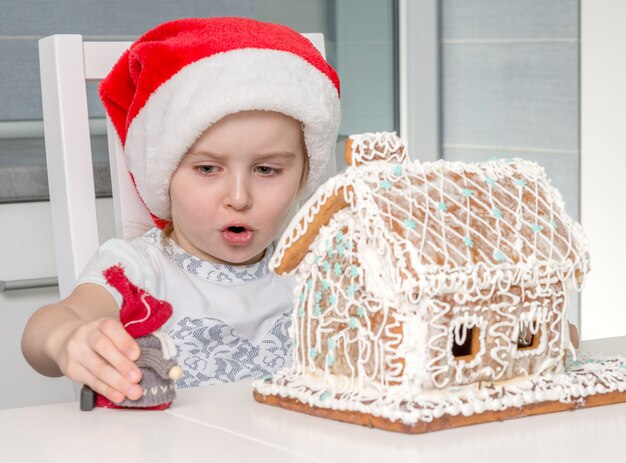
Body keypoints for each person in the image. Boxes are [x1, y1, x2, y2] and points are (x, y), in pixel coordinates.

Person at [21, 17, 341, 405]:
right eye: (208, 168)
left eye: (267, 170)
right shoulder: (137, 270)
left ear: (305, 176)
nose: (239, 197)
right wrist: (66, 339)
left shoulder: (318, 271)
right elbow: (45, 329)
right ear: (164, 175)